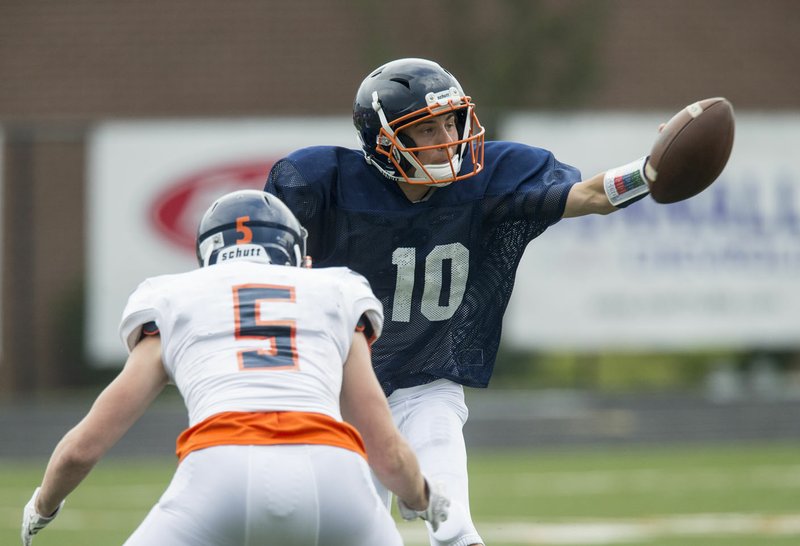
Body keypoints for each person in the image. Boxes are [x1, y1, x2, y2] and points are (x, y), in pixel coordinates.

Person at [264, 57, 655, 546]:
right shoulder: (321, 182)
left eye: (450, 121)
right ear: (385, 142)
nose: (446, 138)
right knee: (357, 534)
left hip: (426, 382)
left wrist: (650, 172)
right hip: (338, 388)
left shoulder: (488, 176)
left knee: (453, 526)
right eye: (425, 129)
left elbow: (590, 195)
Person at [21, 189, 451, 546]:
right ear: (293, 249)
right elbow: (385, 446)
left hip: (220, 470)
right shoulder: (335, 290)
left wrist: (43, 505)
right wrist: (423, 497)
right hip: (336, 475)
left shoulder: (174, 297)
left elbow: (83, 448)